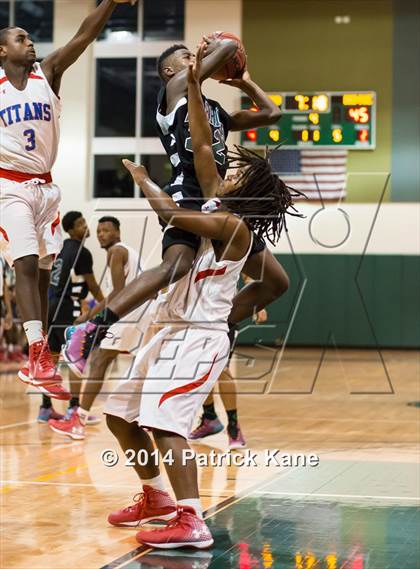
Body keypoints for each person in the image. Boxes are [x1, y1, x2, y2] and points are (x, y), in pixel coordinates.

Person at [102, 44, 300, 550]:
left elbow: (172, 214)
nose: (228, 169)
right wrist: (235, 313)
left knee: (167, 425)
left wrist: (145, 179)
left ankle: (191, 519)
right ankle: (155, 497)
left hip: (196, 336)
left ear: (242, 189)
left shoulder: (230, 222)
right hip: (171, 326)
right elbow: (276, 283)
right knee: (121, 414)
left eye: (237, 173)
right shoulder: (224, 207)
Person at [64, 35, 290, 373]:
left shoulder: (215, 111)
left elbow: (272, 114)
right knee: (177, 265)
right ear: (170, 71)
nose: (195, 58)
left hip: (221, 197)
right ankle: (92, 328)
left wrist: (245, 82)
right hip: (188, 190)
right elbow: (227, 48)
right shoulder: (172, 95)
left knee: (275, 282)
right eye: (187, 56)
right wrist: (218, 46)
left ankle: (218, 325)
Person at [0, 0, 138, 399]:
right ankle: (38, 351)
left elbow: (84, 35)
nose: (30, 42)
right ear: (2, 51)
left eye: (29, 37)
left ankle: (37, 359)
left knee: (43, 272)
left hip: (46, 188)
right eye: (20, 38)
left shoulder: (48, 73)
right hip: (10, 185)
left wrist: (109, 2)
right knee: (24, 261)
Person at [49, 216, 148, 440]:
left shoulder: (117, 252)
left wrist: (89, 316)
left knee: (100, 361)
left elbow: (117, 294)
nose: (101, 234)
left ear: (118, 232)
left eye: (107, 230)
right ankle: (150, 416)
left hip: (129, 315)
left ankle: (78, 419)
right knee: (144, 366)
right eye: (99, 230)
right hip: (142, 314)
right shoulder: (127, 252)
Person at [37, 211, 104, 423]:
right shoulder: (82, 252)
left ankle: (45, 408)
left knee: (53, 360)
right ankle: (74, 408)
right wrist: (107, 304)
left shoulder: (62, 249)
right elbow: (92, 285)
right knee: (76, 358)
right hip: (66, 309)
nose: (86, 226)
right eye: (80, 223)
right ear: (71, 230)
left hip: (50, 308)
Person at [189, 288, 268, 448]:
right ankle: (209, 417)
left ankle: (233, 426)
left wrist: (258, 304)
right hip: (197, 314)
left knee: (222, 369)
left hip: (226, 315)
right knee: (201, 369)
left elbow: (252, 276)